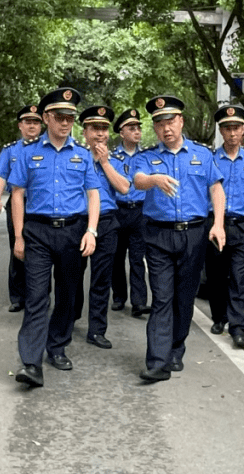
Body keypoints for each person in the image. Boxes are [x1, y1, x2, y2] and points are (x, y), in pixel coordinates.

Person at [9, 87, 100, 388]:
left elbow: (93, 195)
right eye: (60, 117)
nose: (65, 123)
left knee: (68, 295)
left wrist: (91, 230)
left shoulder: (83, 156)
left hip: (73, 231)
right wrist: (19, 237)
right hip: (37, 232)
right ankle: (31, 363)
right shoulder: (28, 152)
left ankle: (57, 346)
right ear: (46, 117)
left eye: (70, 118)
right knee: (36, 296)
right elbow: (18, 194)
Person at [132, 95, 225, 382]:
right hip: (158, 235)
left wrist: (218, 224)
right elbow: (137, 179)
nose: (166, 128)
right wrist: (154, 180)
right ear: (155, 128)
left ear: (181, 121)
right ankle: (157, 362)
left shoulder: (202, 155)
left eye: (170, 121)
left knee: (184, 298)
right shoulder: (147, 157)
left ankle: (176, 348)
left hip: (194, 235)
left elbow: (216, 190)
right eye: (159, 123)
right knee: (161, 297)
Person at [205, 104, 244, 348]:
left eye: (236, 128)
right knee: (216, 276)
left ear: (243, 131)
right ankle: (219, 316)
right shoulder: (210, 160)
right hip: (216, 225)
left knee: (238, 277)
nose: (232, 133)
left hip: (242, 226)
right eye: (227, 128)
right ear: (221, 131)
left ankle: (239, 328)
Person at [78, 104, 131, 349]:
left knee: (101, 279)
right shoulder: (74, 155)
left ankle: (97, 329)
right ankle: (69, 318)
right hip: (78, 222)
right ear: (85, 131)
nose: (100, 134)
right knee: (72, 276)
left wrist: (105, 163)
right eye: (94, 129)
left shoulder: (116, 159)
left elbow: (124, 188)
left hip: (107, 222)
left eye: (104, 129)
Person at [0, 103, 43, 312]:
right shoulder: (11, 150)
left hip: (39, 206)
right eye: (28, 122)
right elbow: (1, 175)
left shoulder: (47, 148)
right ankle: (18, 296)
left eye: (36, 122)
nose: (32, 126)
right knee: (18, 250)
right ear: (20, 125)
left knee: (42, 253)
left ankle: (38, 296)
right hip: (16, 204)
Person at [110, 108, 151, 317]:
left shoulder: (147, 156)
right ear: (122, 133)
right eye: (131, 128)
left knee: (137, 258)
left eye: (138, 128)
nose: (136, 132)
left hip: (140, 212)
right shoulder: (112, 158)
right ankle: (119, 297)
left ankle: (139, 302)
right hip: (118, 211)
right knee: (117, 257)